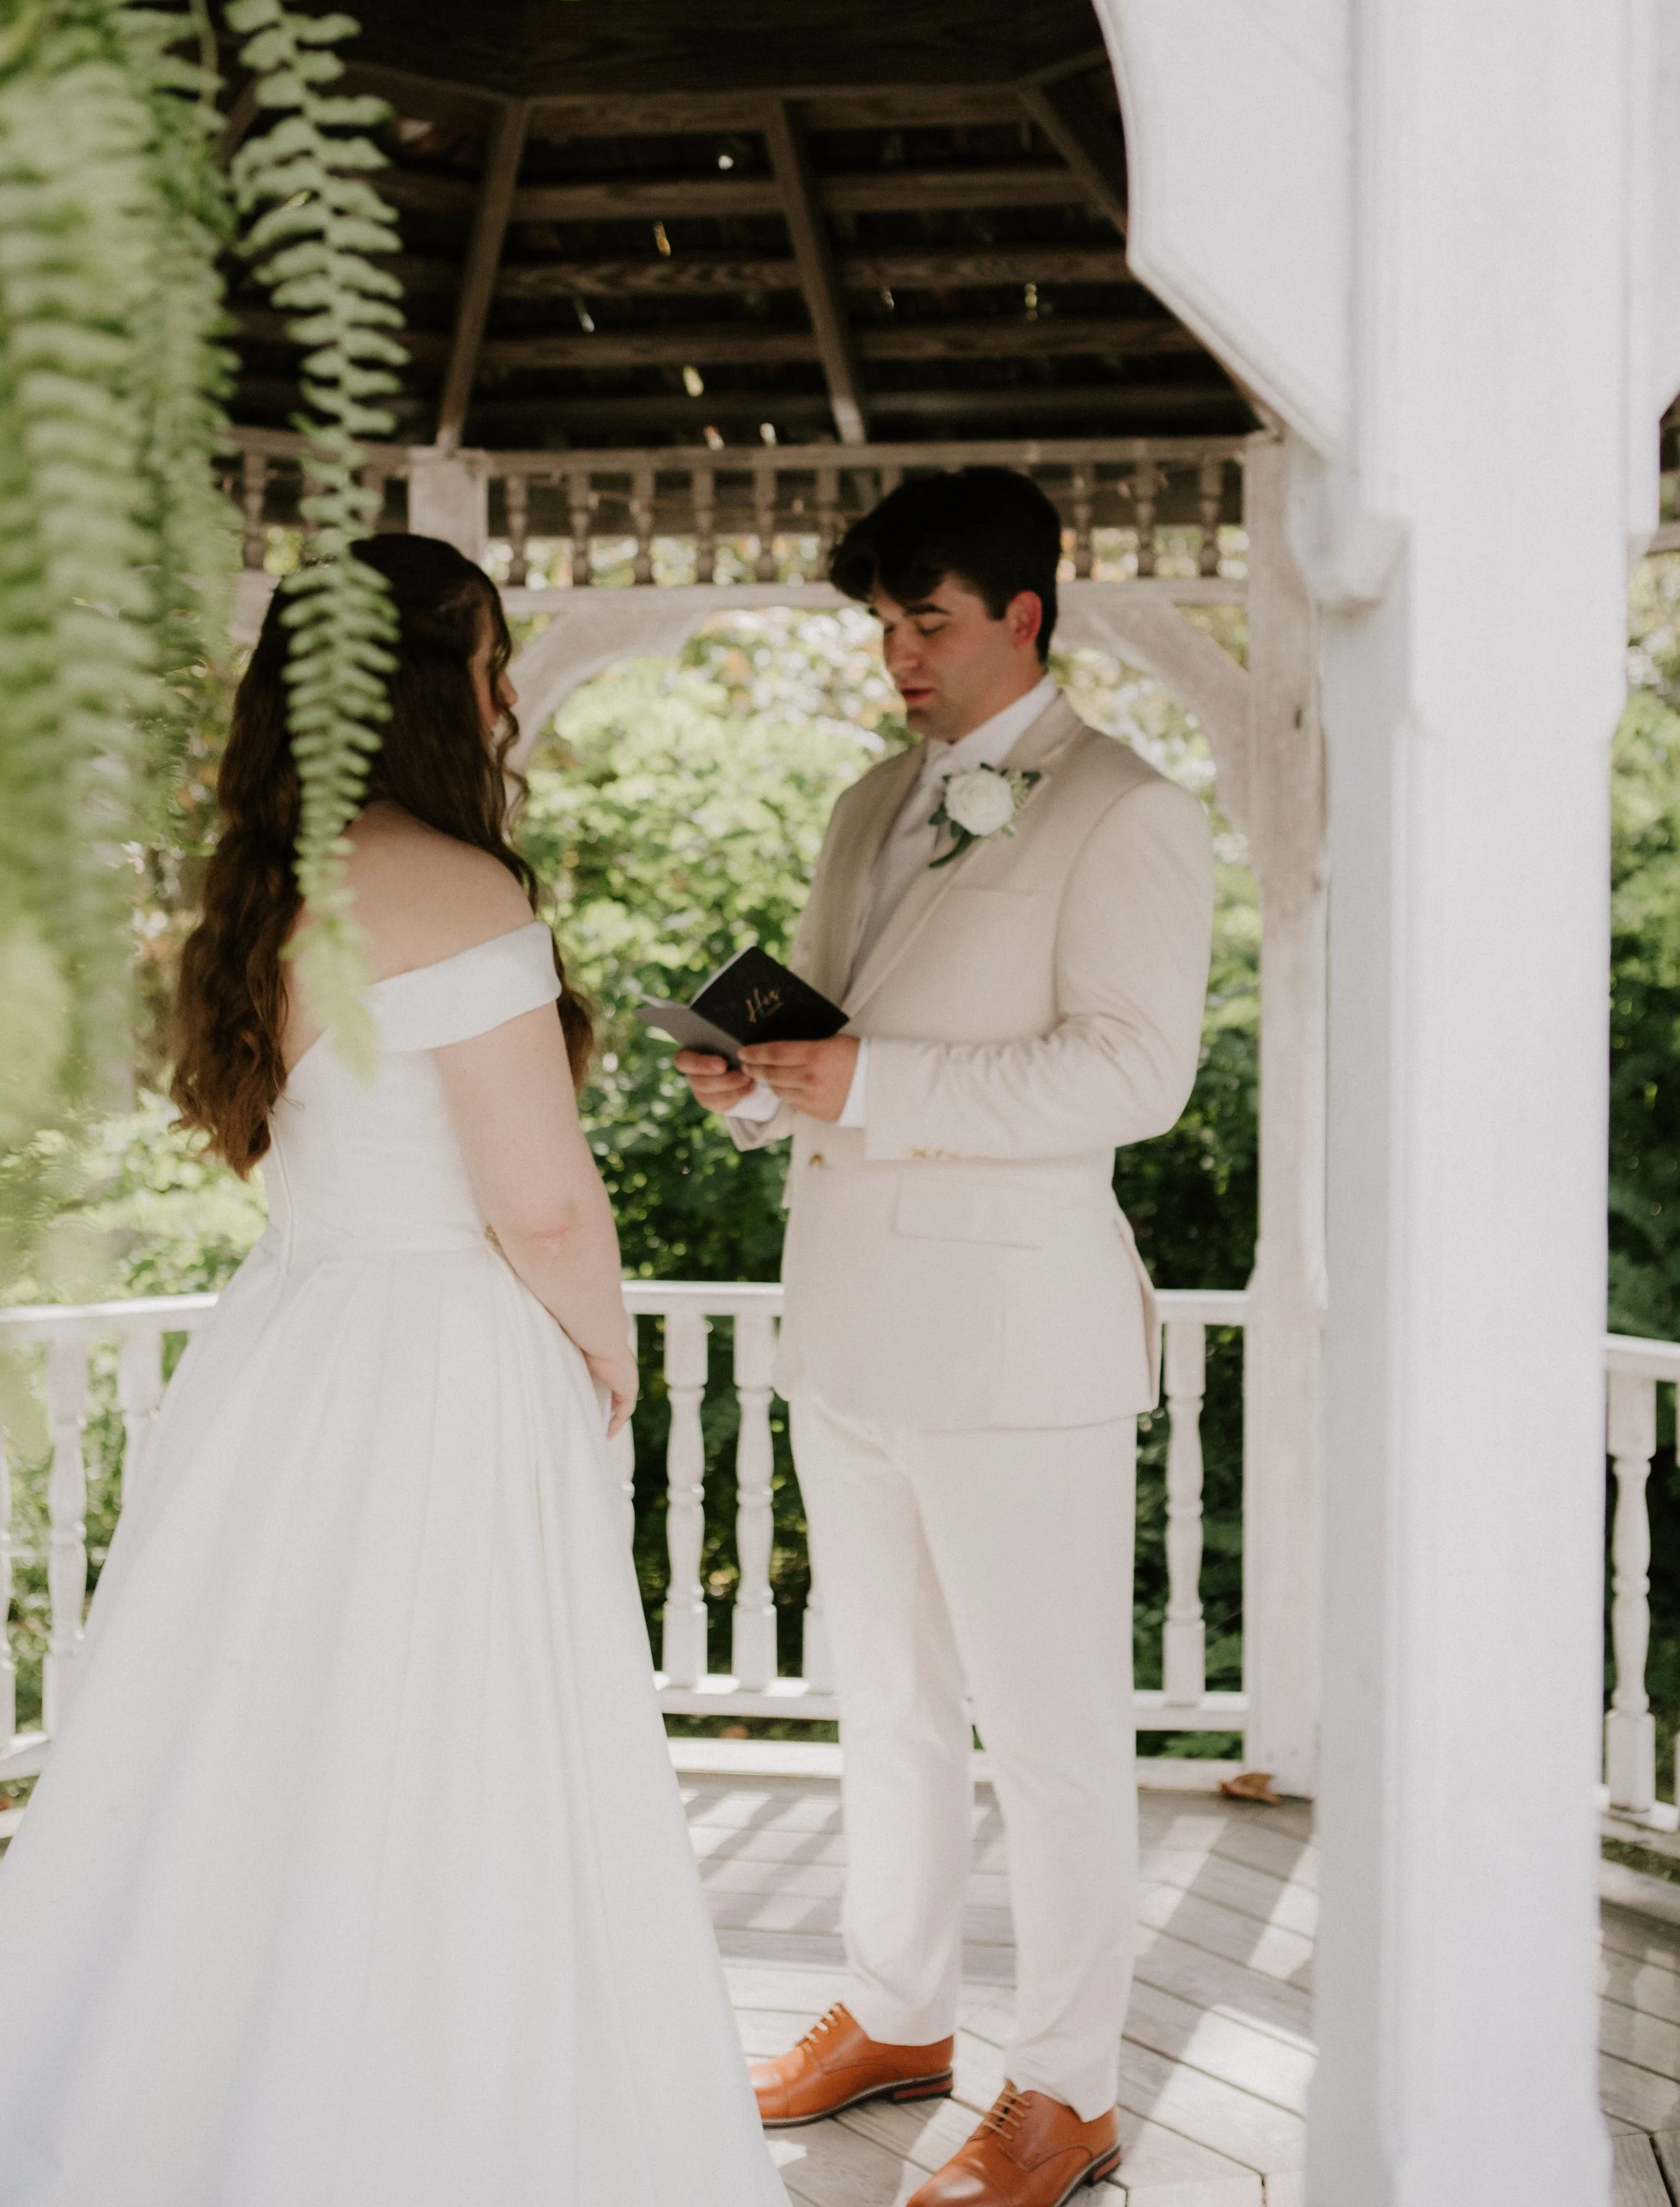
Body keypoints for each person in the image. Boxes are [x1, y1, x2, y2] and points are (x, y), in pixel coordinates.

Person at [0, 534, 784, 2207]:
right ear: (442, 679)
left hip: (295, 1345)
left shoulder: (265, 882)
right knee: (467, 1746)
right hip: (439, 1358)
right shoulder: (457, 886)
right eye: (496, 661)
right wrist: (608, 1355)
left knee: (261, 1748)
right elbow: (543, 1200)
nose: (510, 697)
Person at [679, 469, 1215, 2207]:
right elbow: (833, 1039)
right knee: (888, 1703)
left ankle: (1066, 2089)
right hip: (849, 1334)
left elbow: (1136, 1071)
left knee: (1048, 1735)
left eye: (928, 620)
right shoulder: (863, 803)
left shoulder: (1125, 808)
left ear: (1022, 618)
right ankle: (898, 2009)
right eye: (881, 624)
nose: (897, 654)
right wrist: (754, 1083)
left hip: (1017, 1346)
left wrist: (874, 1081)